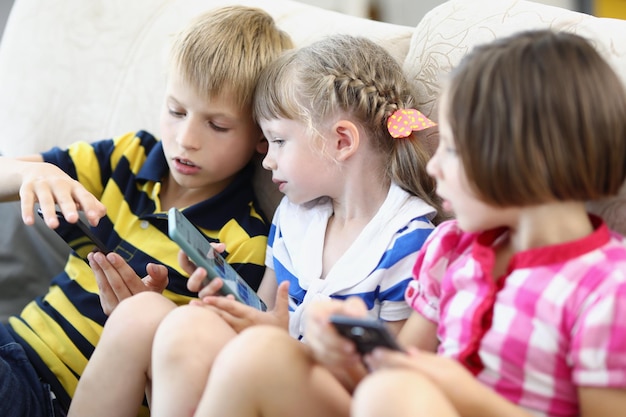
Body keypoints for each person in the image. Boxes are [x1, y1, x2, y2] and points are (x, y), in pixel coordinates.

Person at [191, 29, 626, 417]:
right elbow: (394, 367)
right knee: (261, 354)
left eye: (452, 150)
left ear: (525, 158)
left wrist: (465, 396)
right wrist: (344, 352)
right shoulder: (451, 250)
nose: (432, 168)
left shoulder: (607, 290)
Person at [66, 34, 443, 417]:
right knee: (163, 317)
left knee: (255, 350)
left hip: (330, 397)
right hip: (263, 365)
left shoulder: (408, 243)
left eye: (278, 140)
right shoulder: (295, 217)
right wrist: (223, 291)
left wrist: (281, 340)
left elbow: (389, 386)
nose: (267, 161)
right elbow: (262, 312)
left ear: (341, 141)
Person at [0, 6, 293, 417]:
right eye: (176, 111)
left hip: (54, 398)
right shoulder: (129, 157)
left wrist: (142, 322)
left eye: (218, 126)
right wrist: (36, 173)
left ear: (261, 137)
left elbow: (200, 371)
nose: (185, 139)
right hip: (13, 346)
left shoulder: (243, 243)